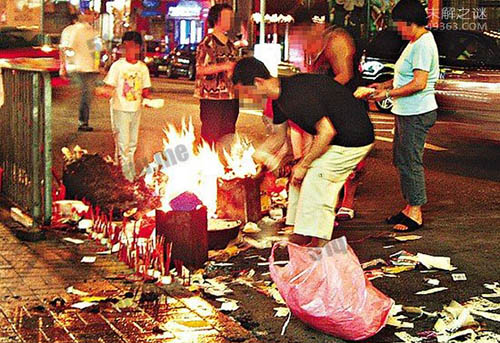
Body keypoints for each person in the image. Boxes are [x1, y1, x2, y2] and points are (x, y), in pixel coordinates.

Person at [233, 57, 374, 247]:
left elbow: (327, 132)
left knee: (317, 179)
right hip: (337, 137)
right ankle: (299, 233)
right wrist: (258, 158)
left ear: (258, 82)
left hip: (354, 138)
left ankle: (319, 247)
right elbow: (278, 138)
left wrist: (304, 164)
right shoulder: (279, 97)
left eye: (245, 92)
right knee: (298, 179)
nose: (246, 99)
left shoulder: (295, 96)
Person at [367, 0, 439, 232]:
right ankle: (410, 206)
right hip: (406, 110)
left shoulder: (423, 44)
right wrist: (384, 85)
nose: (398, 30)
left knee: (410, 161)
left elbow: (419, 83)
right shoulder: (415, 42)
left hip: (417, 111)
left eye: (400, 24)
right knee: (401, 159)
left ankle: (415, 212)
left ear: (410, 22)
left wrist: (387, 93)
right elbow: (405, 77)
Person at [305, 23, 368, 221]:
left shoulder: (337, 39)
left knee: (350, 153)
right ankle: (329, 200)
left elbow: (345, 74)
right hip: (329, 104)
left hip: (346, 102)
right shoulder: (317, 41)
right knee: (328, 152)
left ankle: (347, 201)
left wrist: (320, 93)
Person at [95, 31, 152, 182]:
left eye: (132, 46)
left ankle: (118, 174)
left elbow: (146, 90)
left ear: (138, 48)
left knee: (131, 144)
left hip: (135, 110)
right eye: (125, 47)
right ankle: (129, 178)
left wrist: (149, 100)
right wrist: (103, 91)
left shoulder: (142, 68)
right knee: (123, 145)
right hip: (120, 109)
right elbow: (109, 86)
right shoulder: (117, 66)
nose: (128, 50)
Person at [194, 4, 239, 145]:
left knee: (228, 134)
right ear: (216, 19)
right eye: (227, 17)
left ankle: (224, 163)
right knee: (210, 135)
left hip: (231, 97)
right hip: (212, 98)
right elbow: (200, 69)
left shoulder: (231, 45)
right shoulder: (208, 43)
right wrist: (224, 66)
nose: (230, 20)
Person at [59, 8, 101, 132]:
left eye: (92, 14)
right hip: (78, 68)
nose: (91, 17)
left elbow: (97, 51)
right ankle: (80, 121)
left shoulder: (93, 32)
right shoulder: (73, 31)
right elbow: (66, 49)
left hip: (90, 68)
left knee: (86, 95)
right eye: (88, 13)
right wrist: (64, 66)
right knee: (84, 94)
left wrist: (98, 65)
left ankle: (82, 120)